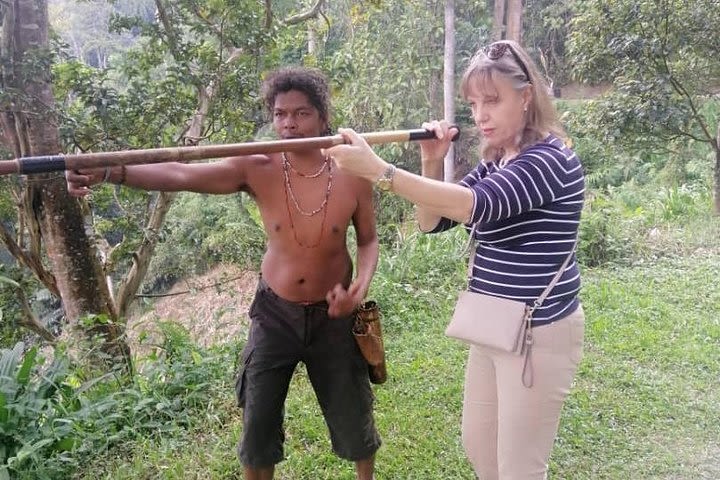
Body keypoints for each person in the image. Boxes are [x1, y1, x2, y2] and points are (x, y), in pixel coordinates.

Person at [66, 67, 381, 480]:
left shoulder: (354, 170)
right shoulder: (258, 165)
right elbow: (181, 174)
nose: (289, 124)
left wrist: (359, 288)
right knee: (258, 428)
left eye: (302, 114)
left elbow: (368, 241)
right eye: (281, 113)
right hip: (275, 316)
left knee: (354, 414)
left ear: (322, 116)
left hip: (334, 316)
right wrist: (112, 171)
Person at [326, 40, 585, 480]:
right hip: (494, 324)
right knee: (479, 446)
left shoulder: (548, 160)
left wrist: (379, 171)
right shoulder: (499, 160)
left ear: (525, 97)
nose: (480, 114)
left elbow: (472, 206)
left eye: (492, 100)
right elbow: (432, 223)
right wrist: (431, 162)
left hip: (538, 334)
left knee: (520, 468)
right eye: (472, 103)